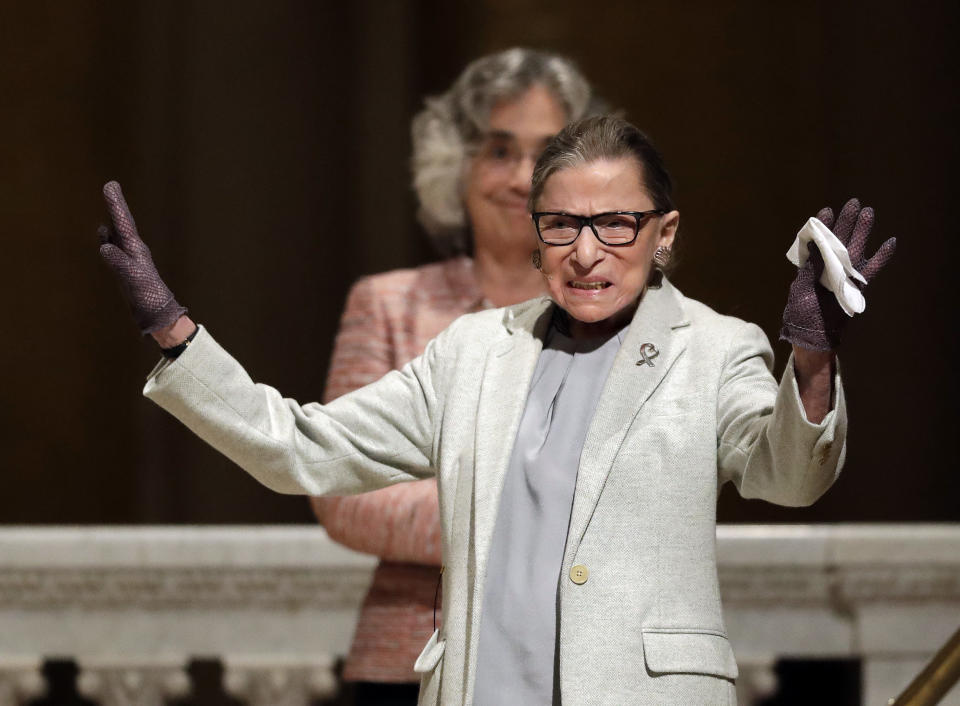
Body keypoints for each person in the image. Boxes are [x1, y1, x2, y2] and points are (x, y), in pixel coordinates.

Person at [99, 115, 895, 705]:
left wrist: (813, 355)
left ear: (664, 233)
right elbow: (303, 449)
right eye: (562, 225)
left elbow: (788, 478)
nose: (587, 252)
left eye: (616, 223)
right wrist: (177, 334)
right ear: (538, 233)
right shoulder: (474, 352)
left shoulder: (715, 348)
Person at [308, 48, 597, 703]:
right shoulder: (387, 304)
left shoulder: (618, 313)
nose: (524, 176)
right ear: (455, 165)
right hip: (407, 663)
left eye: (546, 152)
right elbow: (344, 494)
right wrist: (526, 518)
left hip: (579, 664)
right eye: (498, 151)